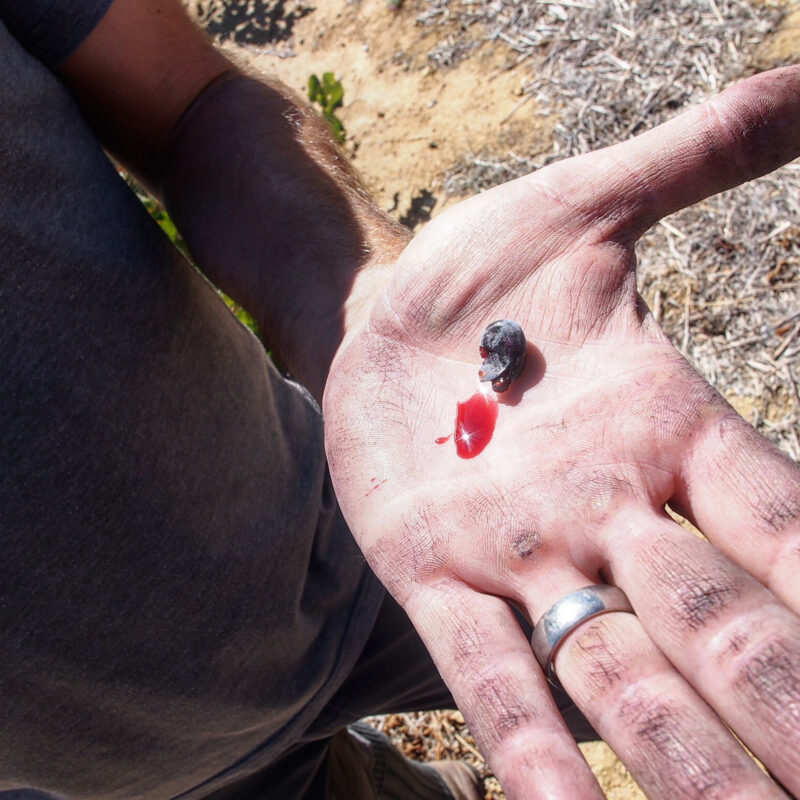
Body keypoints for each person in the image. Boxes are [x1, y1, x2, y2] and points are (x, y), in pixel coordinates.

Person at [0, 1, 798, 799]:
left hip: (355, 531)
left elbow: (186, 103)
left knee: (732, 675)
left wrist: (360, 305)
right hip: (115, 782)